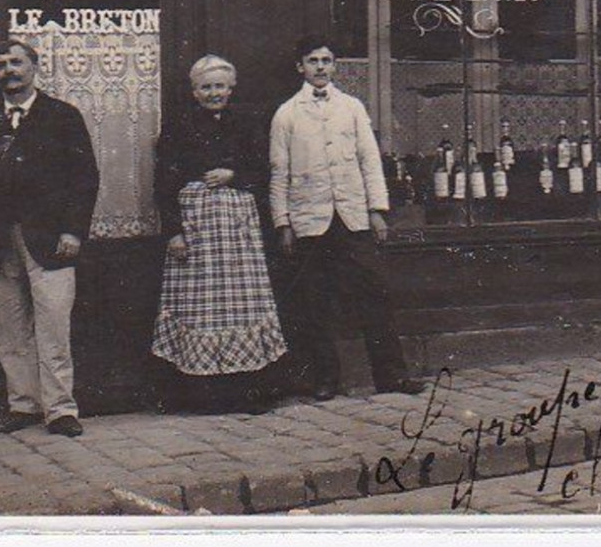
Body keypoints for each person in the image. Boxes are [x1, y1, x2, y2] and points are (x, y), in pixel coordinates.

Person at [270, 35, 424, 400]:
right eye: (312, 61)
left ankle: (391, 376)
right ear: (300, 67)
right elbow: (279, 172)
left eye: (326, 60)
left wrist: (376, 212)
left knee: (374, 295)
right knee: (315, 302)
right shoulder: (287, 114)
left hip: (352, 217)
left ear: (335, 65)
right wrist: (284, 223)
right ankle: (326, 379)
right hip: (311, 220)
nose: (320, 67)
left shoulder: (352, 107)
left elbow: (370, 161)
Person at [0, 38, 99, 437]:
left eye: (17, 62)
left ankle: (60, 410)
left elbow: (84, 178)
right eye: (1, 64)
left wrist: (73, 230)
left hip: (50, 239)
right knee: (8, 327)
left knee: (54, 324)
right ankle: (23, 406)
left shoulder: (62, 116)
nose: (10, 70)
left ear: (34, 68)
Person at [151, 55, 286, 413]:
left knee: (242, 304)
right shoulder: (178, 126)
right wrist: (173, 233)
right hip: (197, 228)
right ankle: (203, 395)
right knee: (201, 307)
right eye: (206, 87)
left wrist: (233, 174)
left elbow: (263, 169)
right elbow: (164, 181)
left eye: (220, 86)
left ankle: (247, 391)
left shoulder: (247, 122)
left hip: (238, 230)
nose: (214, 93)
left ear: (231, 88)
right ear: (194, 91)